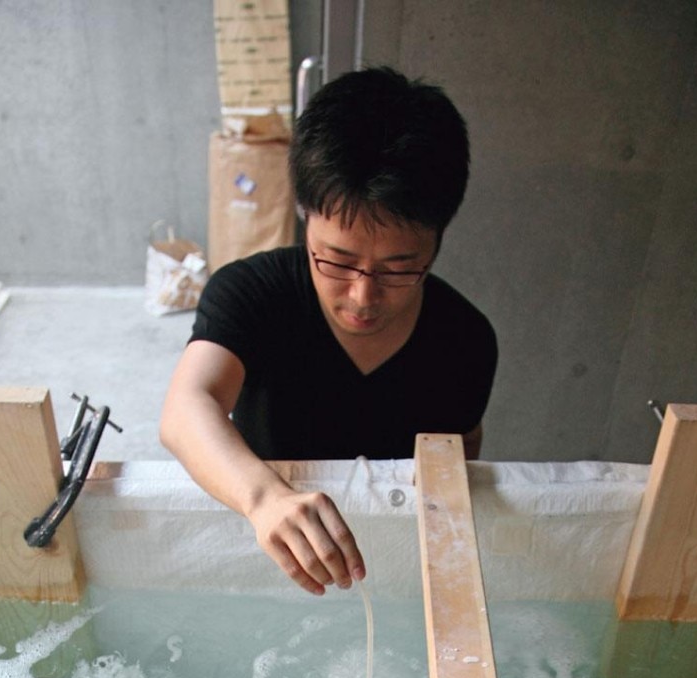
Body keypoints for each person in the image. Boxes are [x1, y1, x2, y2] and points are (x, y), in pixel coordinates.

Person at [159, 66, 497, 596]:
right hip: (268, 550)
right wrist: (264, 499)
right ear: (304, 217)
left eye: (398, 268)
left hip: (385, 570)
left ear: (438, 240)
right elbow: (185, 409)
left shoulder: (466, 339)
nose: (363, 296)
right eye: (336, 262)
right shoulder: (252, 293)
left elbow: (456, 456)